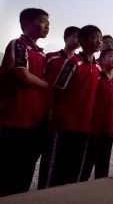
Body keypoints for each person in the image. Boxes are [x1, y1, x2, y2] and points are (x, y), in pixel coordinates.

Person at [43, 25, 102, 188]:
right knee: (55, 170)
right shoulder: (73, 63)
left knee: (74, 170)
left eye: (100, 38)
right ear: (82, 41)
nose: (99, 41)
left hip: (84, 127)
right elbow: (57, 90)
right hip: (64, 125)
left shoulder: (97, 68)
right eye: (94, 37)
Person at [0, 8, 49, 196]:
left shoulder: (43, 54)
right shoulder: (18, 44)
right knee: (7, 173)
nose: (47, 26)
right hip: (14, 119)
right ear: (26, 24)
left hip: (34, 122)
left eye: (48, 23)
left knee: (25, 172)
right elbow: (23, 75)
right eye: (43, 21)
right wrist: (46, 85)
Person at [37, 26, 80, 189]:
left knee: (61, 160)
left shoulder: (80, 63)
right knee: (43, 158)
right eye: (74, 36)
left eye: (80, 37)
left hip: (66, 119)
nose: (77, 40)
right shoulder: (50, 58)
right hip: (45, 113)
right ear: (66, 37)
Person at [80, 48, 113, 181]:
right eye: (111, 56)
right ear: (101, 60)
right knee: (86, 163)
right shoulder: (96, 78)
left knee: (103, 165)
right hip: (93, 129)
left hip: (108, 130)